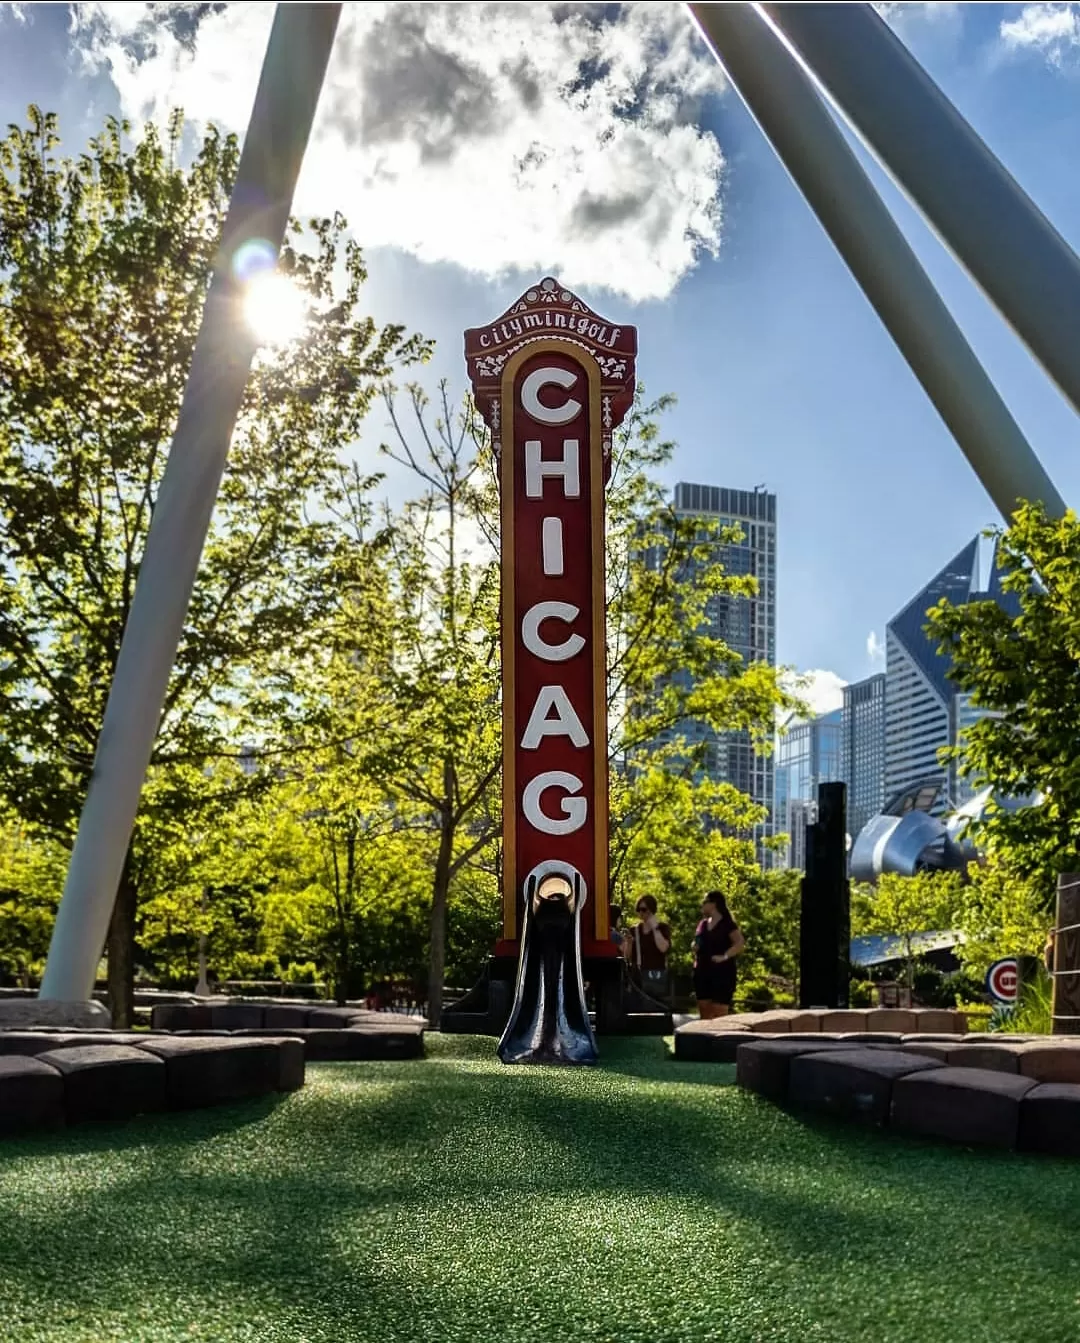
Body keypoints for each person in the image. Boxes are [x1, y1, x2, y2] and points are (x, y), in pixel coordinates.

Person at [693, 891, 745, 1019]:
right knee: (704, 1010)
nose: (702, 905)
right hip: (703, 971)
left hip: (722, 973)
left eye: (705, 902)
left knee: (719, 1012)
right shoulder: (703, 924)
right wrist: (694, 945)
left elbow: (739, 943)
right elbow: (697, 940)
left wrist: (725, 956)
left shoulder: (727, 924)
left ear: (713, 904)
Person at [630, 895, 672, 1000]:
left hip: (656, 973)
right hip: (638, 974)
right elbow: (628, 955)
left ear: (651, 909)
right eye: (638, 909)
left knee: (655, 1005)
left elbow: (663, 948)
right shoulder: (634, 930)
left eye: (643, 909)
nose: (641, 913)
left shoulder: (662, 928)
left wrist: (655, 929)